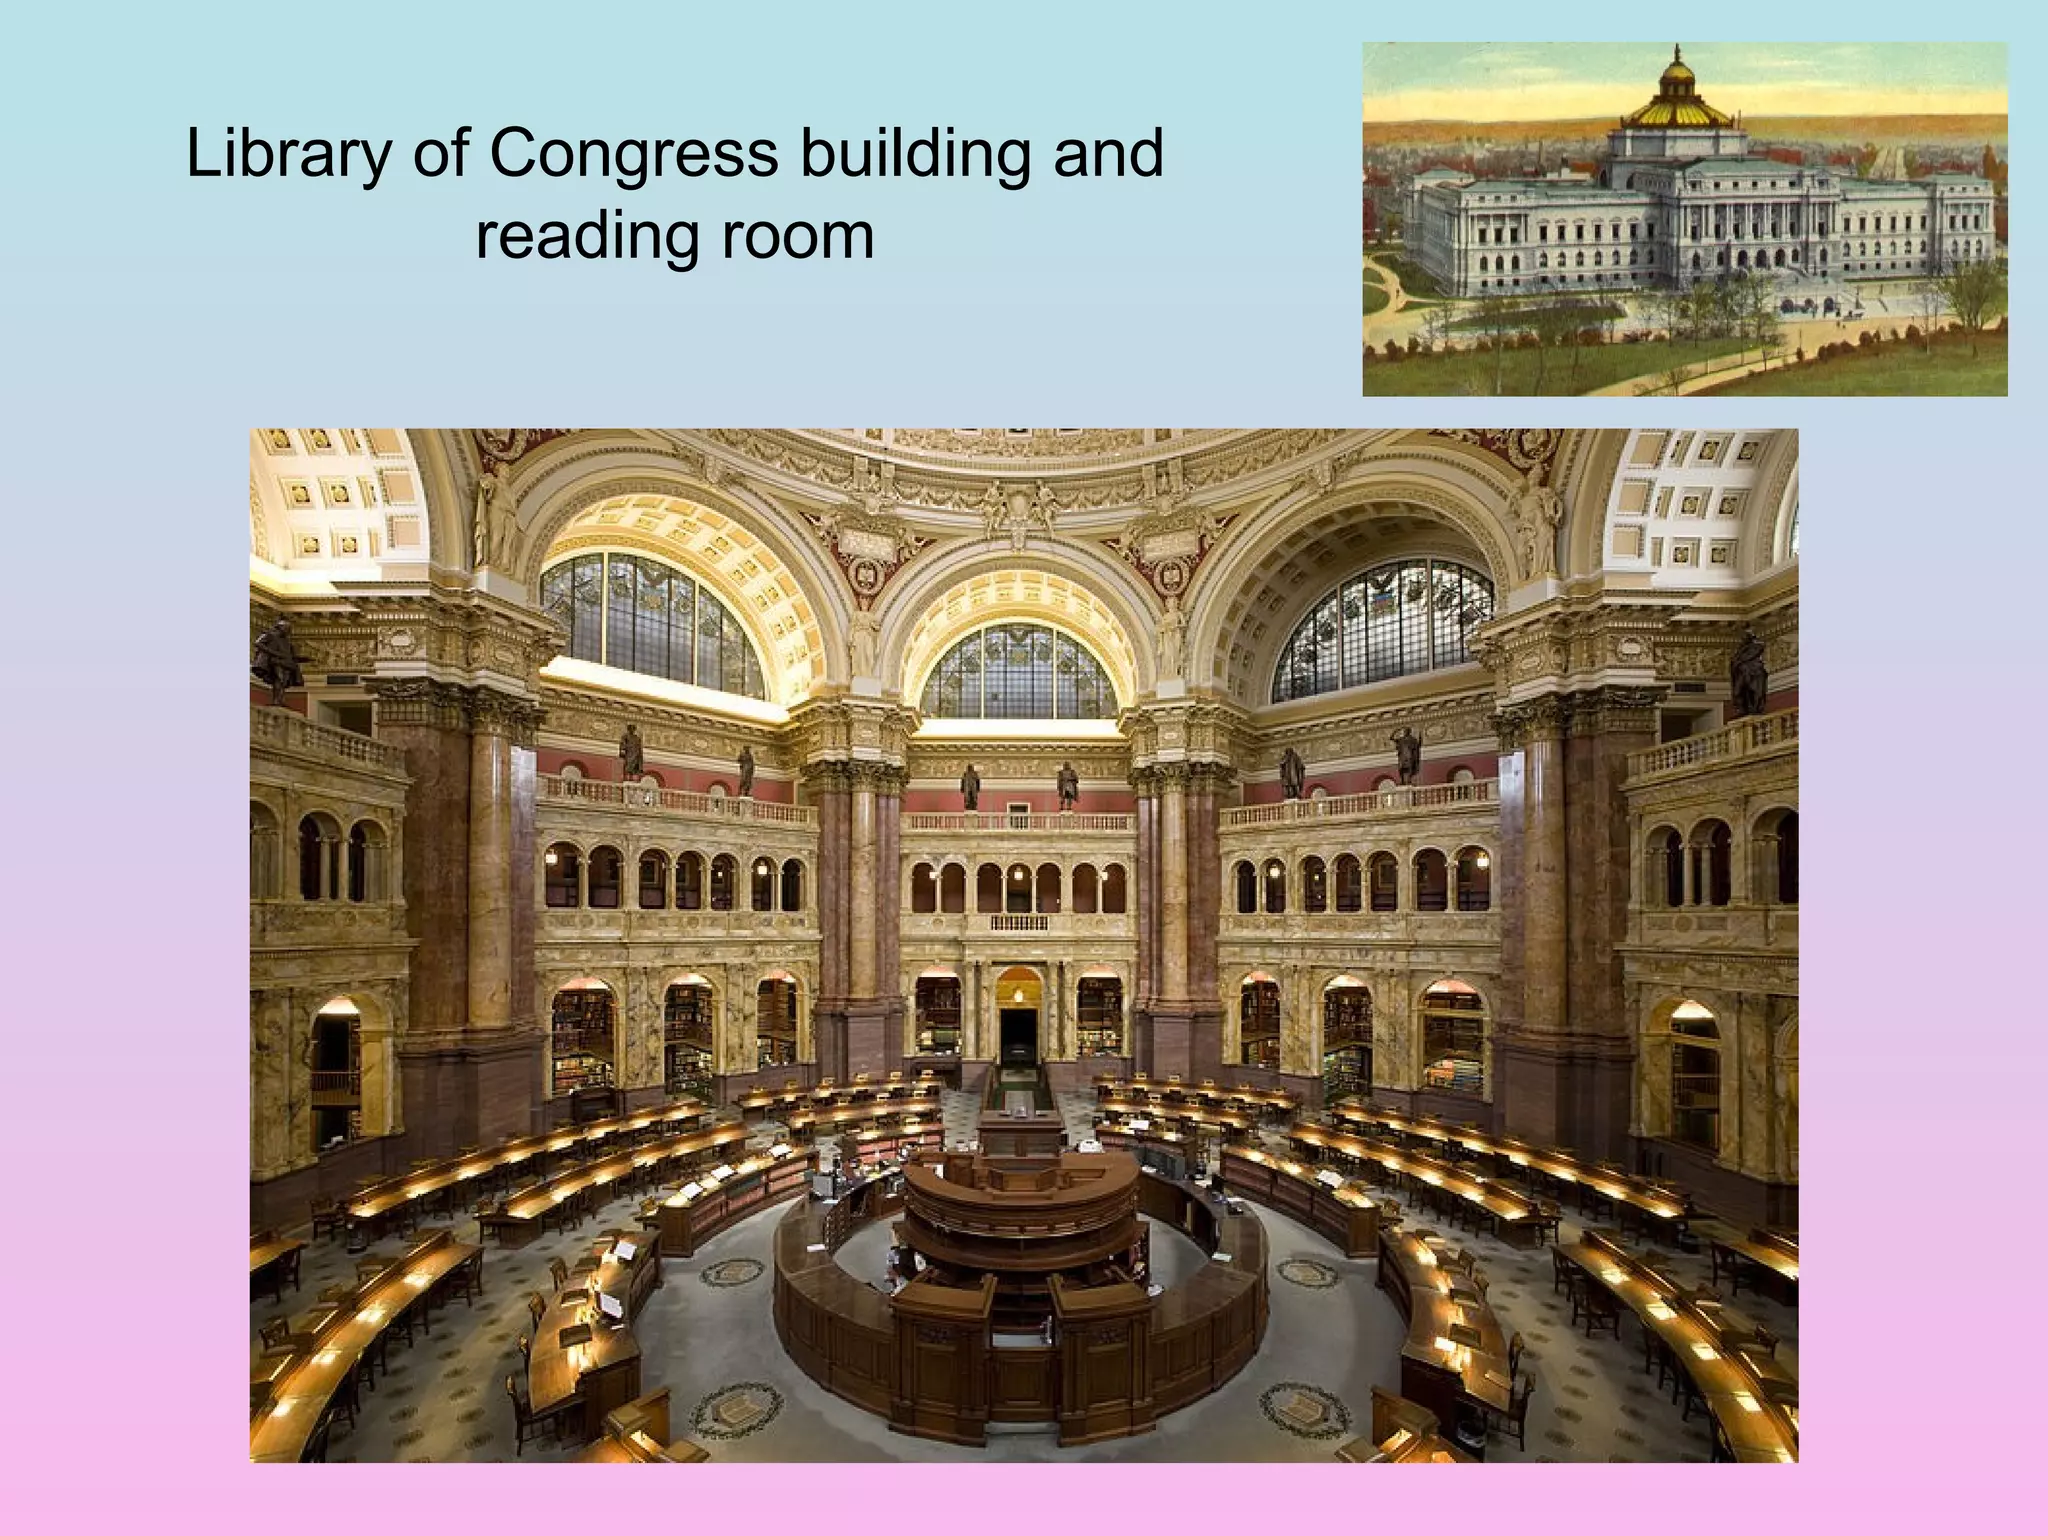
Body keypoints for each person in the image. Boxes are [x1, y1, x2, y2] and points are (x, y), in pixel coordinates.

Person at [251, 617, 304, 706]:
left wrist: (302, 659)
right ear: (280, 627)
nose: (288, 630)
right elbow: (258, 643)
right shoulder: (270, 635)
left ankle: (281, 700)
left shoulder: (287, 641)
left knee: (284, 682)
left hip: (286, 663)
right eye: (287, 628)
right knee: (278, 680)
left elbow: (290, 655)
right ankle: (276, 700)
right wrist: (274, 653)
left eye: (289, 628)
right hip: (276, 661)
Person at [1730, 630, 1768, 718]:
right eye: (1742, 638)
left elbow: (1744, 658)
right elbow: (1735, 662)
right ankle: (1742, 709)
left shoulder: (1756, 647)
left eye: (1744, 638)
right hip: (1742, 674)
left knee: (1754, 692)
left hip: (1753, 673)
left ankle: (1753, 709)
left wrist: (1738, 662)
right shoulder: (1740, 651)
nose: (1742, 640)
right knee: (1737, 692)